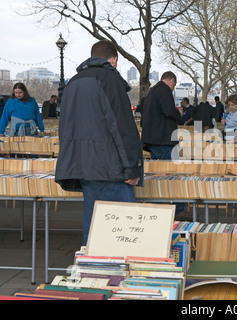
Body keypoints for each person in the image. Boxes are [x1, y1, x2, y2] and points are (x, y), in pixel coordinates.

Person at [55, 40, 144, 246]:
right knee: (125, 234)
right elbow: (123, 127)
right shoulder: (110, 79)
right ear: (114, 60)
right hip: (111, 167)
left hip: (84, 167)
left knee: (94, 229)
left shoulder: (73, 82)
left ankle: (91, 273)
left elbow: (65, 127)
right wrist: (133, 168)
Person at [141, 71, 191, 221]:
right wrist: (179, 114)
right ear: (171, 81)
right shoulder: (164, 90)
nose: (173, 88)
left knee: (158, 176)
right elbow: (169, 111)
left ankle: (160, 207)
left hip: (153, 140)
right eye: (174, 85)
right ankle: (178, 209)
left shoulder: (152, 92)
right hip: (164, 139)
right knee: (173, 174)